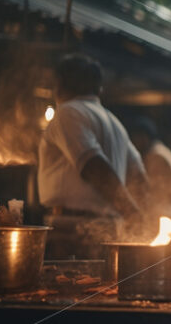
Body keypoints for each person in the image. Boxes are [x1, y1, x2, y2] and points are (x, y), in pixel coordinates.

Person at [38, 53, 147, 259]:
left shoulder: (68, 112)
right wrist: (135, 216)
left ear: (59, 84)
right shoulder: (115, 123)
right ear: (99, 89)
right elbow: (139, 177)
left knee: (69, 289)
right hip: (110, 228)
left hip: (73, 230)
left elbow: (93, 166)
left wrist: (133, 214)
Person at [129, 116, 171, 221]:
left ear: (144, 137)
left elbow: (152, 193)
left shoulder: (156, 155)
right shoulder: (156, 151)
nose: (134, 142)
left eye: (136, 137)